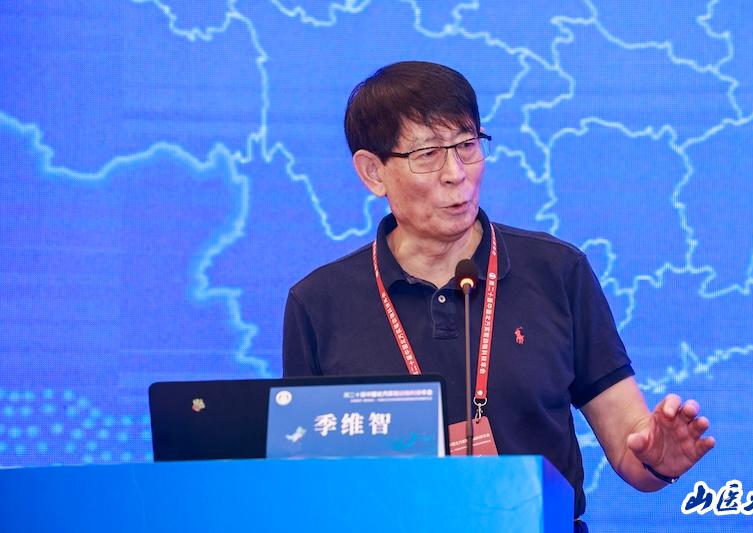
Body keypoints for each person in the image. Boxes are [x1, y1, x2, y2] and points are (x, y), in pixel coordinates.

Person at [282, 61, 714, 529]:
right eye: (428, 154)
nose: (456, 173)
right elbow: (311, 485)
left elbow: (630, 448)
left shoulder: (557, 270)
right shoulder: (319, 303)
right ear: (373, 172)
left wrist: (658, 460)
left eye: (467, 145)